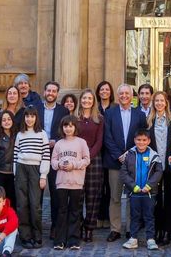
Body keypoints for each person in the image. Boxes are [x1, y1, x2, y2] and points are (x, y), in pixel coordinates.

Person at [104, 83, 146, 242]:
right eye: (121, 93)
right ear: (118, 95)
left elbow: (143, 137)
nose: (124, 96)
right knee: (114, 197)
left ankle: (130, 228)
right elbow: (107, 137)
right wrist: (118, 155)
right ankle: (115, 229)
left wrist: (130, 154)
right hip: (115, 162)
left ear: (132, 95)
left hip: (133, 162)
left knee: (132, 197)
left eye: (127, 93)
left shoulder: (139, 114)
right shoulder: (110, 113)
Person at [12, 108, 50, 249]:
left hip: (36, 169)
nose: (29, 119)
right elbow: (15, 153)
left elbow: (46, 155)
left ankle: (37, 236)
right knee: (22, 204)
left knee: (35, 205)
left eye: (32, 116)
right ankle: (25, 237)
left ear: (36, 118)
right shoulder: (20, 134)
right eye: (27, 116)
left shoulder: (42, 134)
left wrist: (43, 175)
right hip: (21, 168)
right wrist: (15, 173)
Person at [120, 129, 162, 251]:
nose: (141, 142)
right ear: (134, 140)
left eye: (144, 140)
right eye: (138, 140)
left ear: (149, 141)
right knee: (134, 216)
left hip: (149, 193)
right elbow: (123, 172)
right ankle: (133, 238)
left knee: (149, 216)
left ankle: (150, 239)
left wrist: (150, 185)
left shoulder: (154, 155)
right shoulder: (129, 155)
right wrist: (133, 186)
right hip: (135, 192)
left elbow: (158, 172)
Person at [52, 116, 91, 250]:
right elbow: (53, 161)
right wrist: (60, 164)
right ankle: (59, 240)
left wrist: (74, 165)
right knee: (62, 210)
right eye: (65, 126)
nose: (68, 128)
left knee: (75, 211)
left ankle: (73, 240)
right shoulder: (59, 144)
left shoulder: (81, 142)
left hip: (76, 182)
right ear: (62, 127)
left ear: (75, 127)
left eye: (71, 126)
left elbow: (86, 160)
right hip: (62, 182)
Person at [74, 89, 104, 243]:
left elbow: (99, 141)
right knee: (77, 196)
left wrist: (88, 157)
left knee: (93, 196)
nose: (86, 101)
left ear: (93, 101)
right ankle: (78, 226)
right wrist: (80, 158)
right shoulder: (74, 118)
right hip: (76, 160)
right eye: (84, 98)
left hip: (94, 160)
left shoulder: (99, 119)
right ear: (80, 100)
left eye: (90, 98)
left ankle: (89, 228)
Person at [147, 91, 171, 245]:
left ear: (166, 103)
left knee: (170, 198)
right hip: (154, 166)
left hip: (170, 165)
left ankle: (167, 230)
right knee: (156, 199)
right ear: (153, 103)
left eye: (162, 100)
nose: (159, 103)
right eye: (156, 101)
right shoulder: (148, 120)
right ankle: (157, 229)